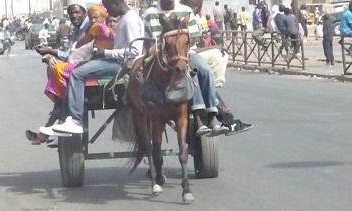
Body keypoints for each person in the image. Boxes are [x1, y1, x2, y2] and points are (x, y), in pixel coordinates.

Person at [143, 0, 252, 136]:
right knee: (190, 74)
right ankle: (202, 119)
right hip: (162, 59)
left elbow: (193, 39)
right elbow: (147, 42)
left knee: (206, 71)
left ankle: (212, 118)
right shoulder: (149, 14)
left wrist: (180, 47)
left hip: (185, 54)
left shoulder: (186, 11)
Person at [46, 0, 144, 135]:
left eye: (108, 7)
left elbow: (135, 52)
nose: (108, 12)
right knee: (75, 69)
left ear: (116, 3)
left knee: (76, 73)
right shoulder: (124, 19)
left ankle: (75, 121)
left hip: (120, 64)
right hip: (113, 60)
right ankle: (64, 117)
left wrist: (106, 52)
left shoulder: (129, 20)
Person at [26, 0, 91, 145]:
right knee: (52, 63)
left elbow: (76, 54)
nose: (74, 16)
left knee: (56, 70)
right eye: (71, 13)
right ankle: (47, 131)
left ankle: (46, 132)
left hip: (86, 65)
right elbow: (73, 53)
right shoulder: (77, 28)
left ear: (85, 13)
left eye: (77, 12)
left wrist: (51, 51)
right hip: (81, 62)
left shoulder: (87, 28)